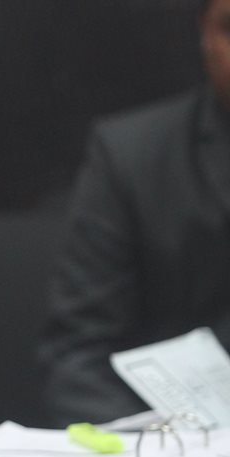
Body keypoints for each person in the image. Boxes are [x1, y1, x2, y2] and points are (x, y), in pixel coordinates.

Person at [39, 0, 230, 426]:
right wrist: (168, 455)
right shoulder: (132, 156)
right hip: (178, 452)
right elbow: (76, 360)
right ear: (204, 33)